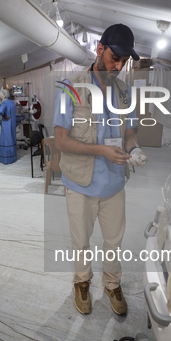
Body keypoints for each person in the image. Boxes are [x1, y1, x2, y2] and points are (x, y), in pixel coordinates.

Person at [53, 23, 148, 315]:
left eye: (123, 61)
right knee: (81, 241)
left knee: (113, 241)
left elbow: (130, 132)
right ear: (99, 49)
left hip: (114, 184)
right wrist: (101, 150)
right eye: (113, 58)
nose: (117, 66)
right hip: (80, 183)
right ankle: (82, 282)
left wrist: (134, 149)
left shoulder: (125, 93)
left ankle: (112, 283)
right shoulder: (71, 88)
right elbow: (60, 141)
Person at [0, 88, 17, 164]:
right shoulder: (12, 102)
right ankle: (12, 157)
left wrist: (5, 117)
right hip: (12, 124)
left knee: (6, 140)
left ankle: (6, 158)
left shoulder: (4, 103)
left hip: (6, 123)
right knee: (12, 138)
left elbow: (0, 111)